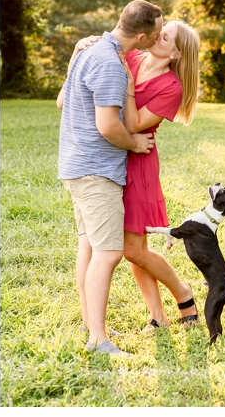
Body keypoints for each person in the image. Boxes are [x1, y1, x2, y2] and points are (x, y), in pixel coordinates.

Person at [70, 20, 202, 331]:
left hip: (138, 161)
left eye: (165, 36)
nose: (158, 36)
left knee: (133, 248)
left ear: (177, 53)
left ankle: (183, 292)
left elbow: (132, 126)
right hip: (109, 158)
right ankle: (158, 315)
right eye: (160, 31)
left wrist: (128, 87)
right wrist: (84, 46)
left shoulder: (172, 88)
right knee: (128, 249)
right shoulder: (130, 57)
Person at [56, 0, 161, 356]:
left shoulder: (89, 50)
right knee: (108, 252)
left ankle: (92, 323)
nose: (159, 38)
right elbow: (108, 126)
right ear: (143, 36)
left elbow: (61, 101)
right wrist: (134, 142)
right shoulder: (111, 65)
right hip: (95, 170)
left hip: (76, 166)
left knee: (88, 246)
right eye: (158, 33)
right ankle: (98, 340)